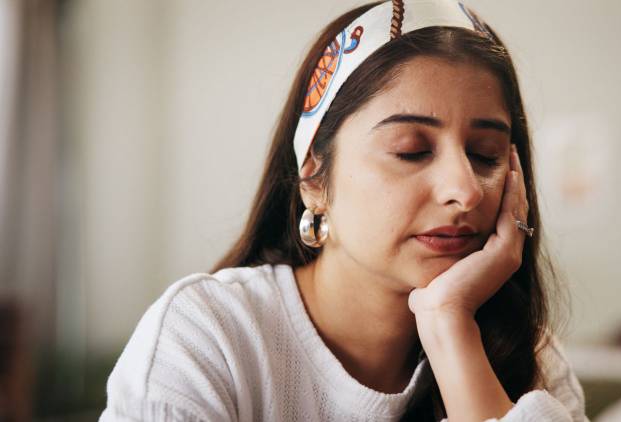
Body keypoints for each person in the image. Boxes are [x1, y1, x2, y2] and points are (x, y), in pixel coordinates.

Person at [100, 1, 589, 421]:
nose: (465, 190)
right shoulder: (209, 337)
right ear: (314, 179)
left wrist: (450, 326)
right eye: (412, 151)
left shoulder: (532, 360)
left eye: (485, 155)